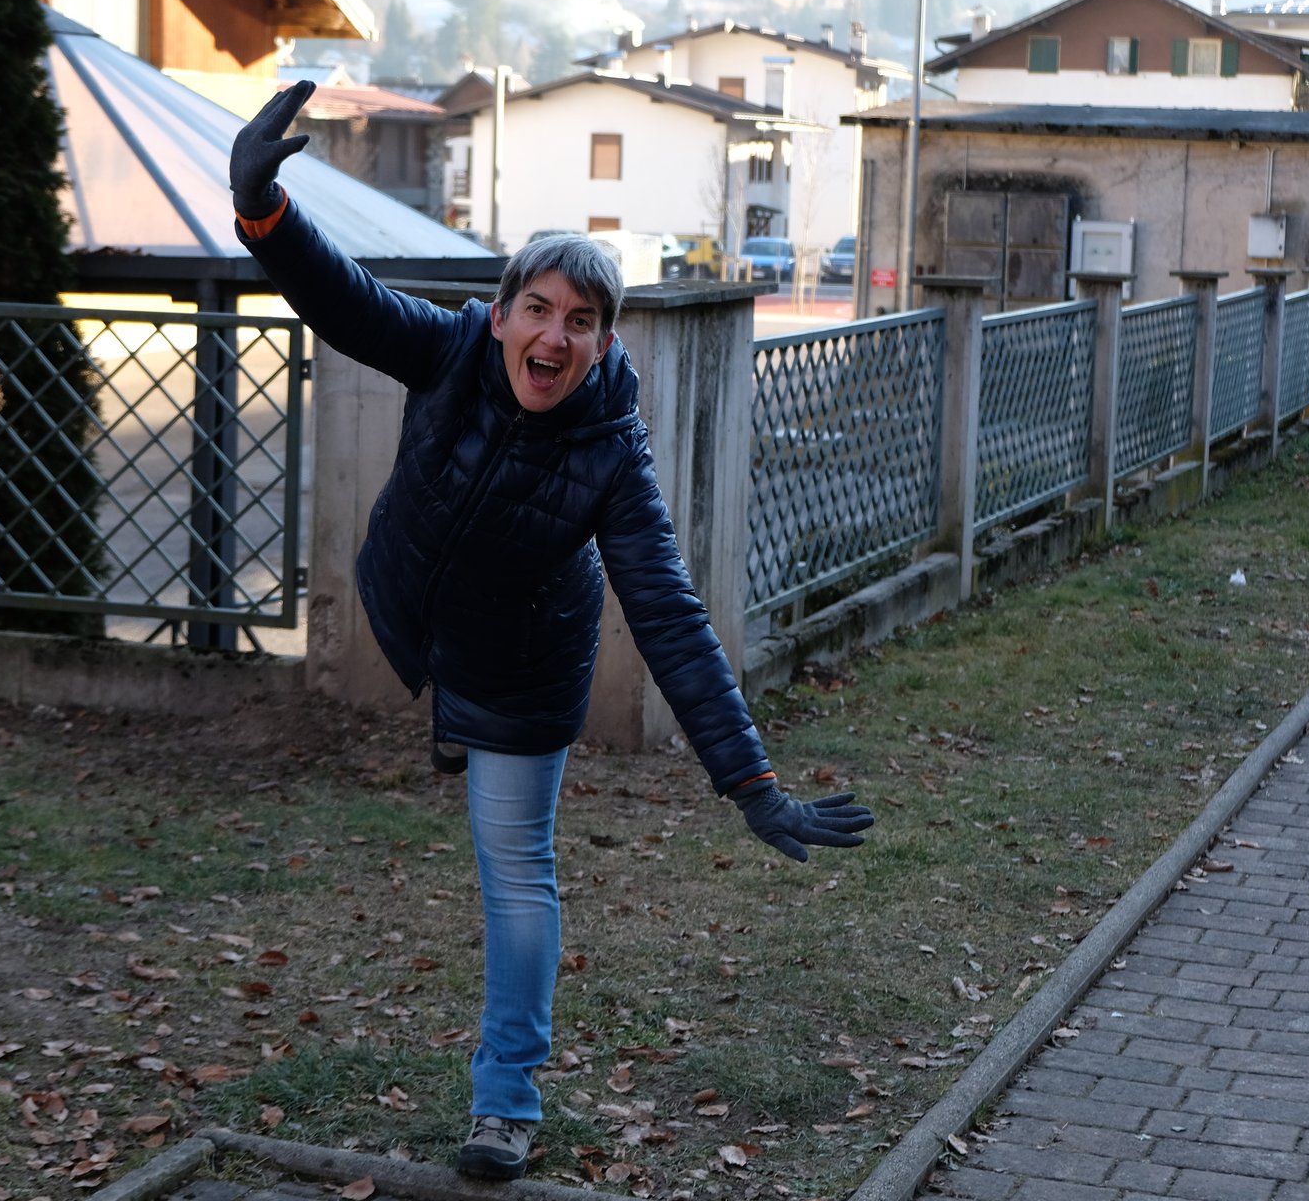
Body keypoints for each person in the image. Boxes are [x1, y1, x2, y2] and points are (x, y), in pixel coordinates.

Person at [228, 82, 874, 1182]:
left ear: (603, 340)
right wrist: (263, 214)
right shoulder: (451, 352)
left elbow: (668, 616)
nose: (554, 334)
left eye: (581, 321)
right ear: (500, 315)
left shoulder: (612, 454)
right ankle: (448, 714)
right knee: (470, 749)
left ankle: (504, 1108)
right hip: (410, 606)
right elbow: (345, 300)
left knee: (516, 874)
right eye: (537, 308)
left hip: (524, 674)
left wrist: (751, 782)